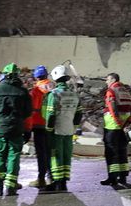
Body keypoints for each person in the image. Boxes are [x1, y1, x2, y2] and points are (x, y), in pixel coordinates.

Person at [0, 63, 32, 196]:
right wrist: (27, 130)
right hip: (16, 130)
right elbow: (28, 113)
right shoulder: (23, 92)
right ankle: (11, 186)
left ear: (3, 76)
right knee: (13, 156)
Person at [41, 65, 82, 193]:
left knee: (56, 156)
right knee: (66, 155)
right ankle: (64, 182)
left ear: (55, 78)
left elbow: (51, 114)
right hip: (69, 130)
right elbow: (79, 114)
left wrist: (48, 129)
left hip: (56, 130)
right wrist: (74, 127)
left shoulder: (53, 94)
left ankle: (57, 183)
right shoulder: (74, 94)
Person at [100, 73, 131, 190]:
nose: (106, 82)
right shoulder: (125, 90)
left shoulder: (111, 90)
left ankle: (112, 178)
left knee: (111, 151)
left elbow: (112, 106)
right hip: (124, 124)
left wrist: (117, 121)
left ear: (114, 79)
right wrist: (129, 121)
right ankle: (123, 176)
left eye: (108, 79)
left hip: (113, 125)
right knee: (122, 150)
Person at [24, 65, 54, 188]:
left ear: (36, 77)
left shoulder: (35, 89)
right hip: (52, 123)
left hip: (38, 125)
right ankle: (51, 177)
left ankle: (41, 178)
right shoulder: (53, 86)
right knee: (50, 151)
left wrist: (27, 127)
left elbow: (31, 109)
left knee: (41, 153)